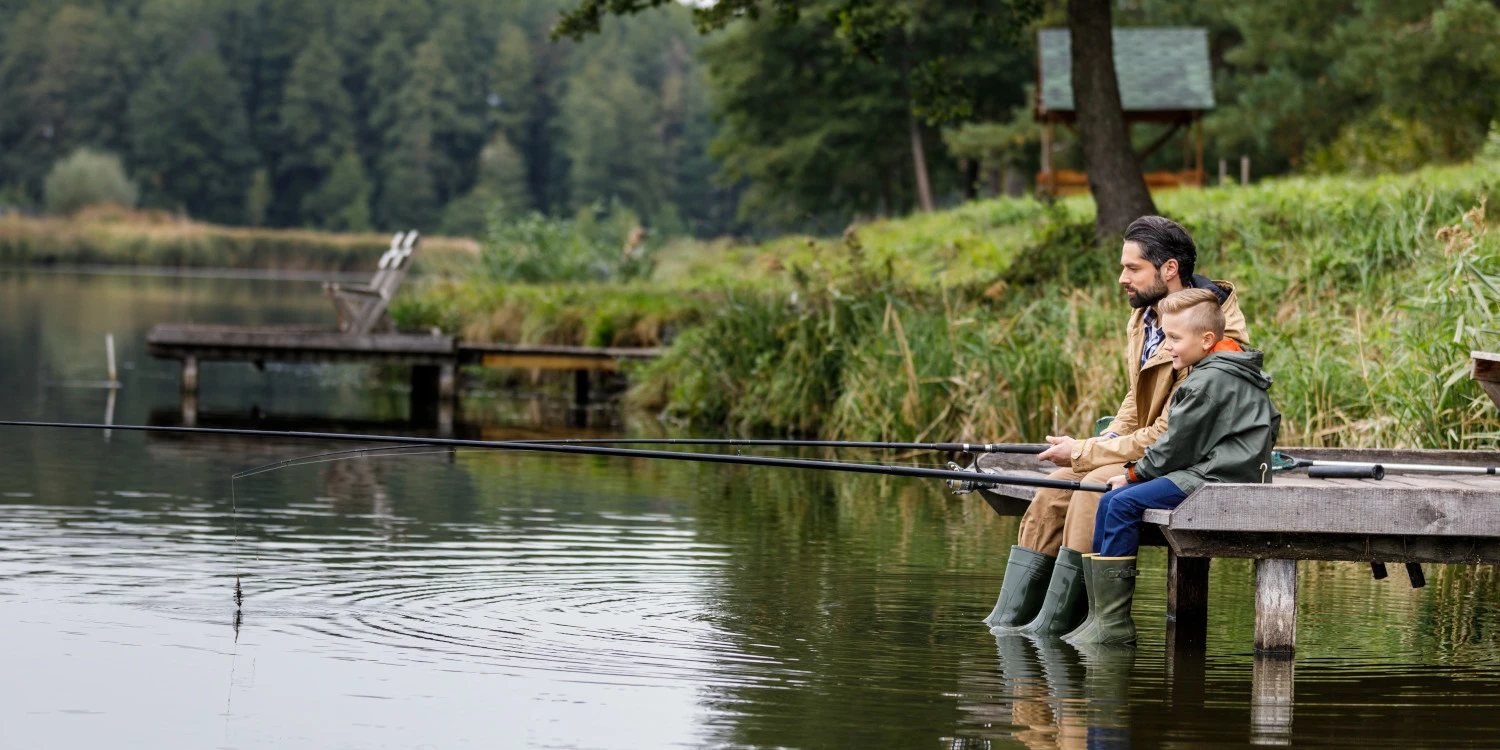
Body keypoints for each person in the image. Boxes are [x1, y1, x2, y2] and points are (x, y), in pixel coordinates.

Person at [986, 216, 1249, 636]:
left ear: (1169, 270)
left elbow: (1170, 431)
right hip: (1148, 446)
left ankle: (1068, 623)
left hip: (1188, 456)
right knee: (1055, 487)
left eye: (1132, 268)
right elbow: (1137, 396)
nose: (1122, 278)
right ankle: (1013, 619)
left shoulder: (1208, 334)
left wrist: (1086, 454)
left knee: (1091, 490)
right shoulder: (1146, 315)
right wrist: (1100, 441)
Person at [1064, 288, 1281, 645]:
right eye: (1165, 335)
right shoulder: (1230, 368)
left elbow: (1173, 447)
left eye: (1174, 337)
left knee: (1121, 502)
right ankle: (1099, 615)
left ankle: (1113, 623)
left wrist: (1133, 473)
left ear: (1207, 339)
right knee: (1108, 501)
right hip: (1220, 470)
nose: (1166, 346)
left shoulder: (1205, 382)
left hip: (1218, 479)